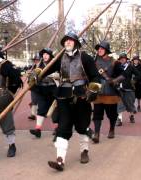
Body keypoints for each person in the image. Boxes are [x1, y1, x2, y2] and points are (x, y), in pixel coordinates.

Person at [35, 32, 101, 171]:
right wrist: (38, 72)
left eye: (70, 41)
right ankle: (60, 160)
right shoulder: (59, 58)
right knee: (63, 128)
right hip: (63, 97)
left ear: (76, 43)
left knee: (82, 127)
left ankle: (84, 151)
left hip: (81, 96)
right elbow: (47, 68)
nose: (67, 43)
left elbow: (95, 76)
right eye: (65, 41)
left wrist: (93, 88)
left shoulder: (85, 57)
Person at [91, 41, 121, 143]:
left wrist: (115, 81)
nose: (99, 50)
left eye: (102, 49)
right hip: (98, 91)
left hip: (110, 92)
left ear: (106, 51)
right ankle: (97, 133)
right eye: (98, 49)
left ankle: (112, 129)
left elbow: (122, 75)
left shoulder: (114, 62)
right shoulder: (94, 62)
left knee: (111, 114)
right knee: (97, 114)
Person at [29, 48, 57, 138]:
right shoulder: (39, 65)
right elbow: (33, 77)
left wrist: (51, 75)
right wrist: (33, 76)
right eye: (43, 54)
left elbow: (61, 74)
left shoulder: (55, 64)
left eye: (47, 54)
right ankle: (38, 129)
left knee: (54, 110)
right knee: (41, 109)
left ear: (50, 55)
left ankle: (57, 128)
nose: (45, 56)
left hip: (53, 90)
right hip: (42, 90)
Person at [112, 52, 141, 125]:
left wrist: (133, 80)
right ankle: (119, 119)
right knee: (119, 104)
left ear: (126, 59)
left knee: (130, 104)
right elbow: (113, 75)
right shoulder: (117, 67)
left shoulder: (130, 67)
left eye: (123, 58)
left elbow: (139, 75)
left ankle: (131, 116)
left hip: (129, 88)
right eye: (121, 59)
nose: (122, 60)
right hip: (119, 88)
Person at [28, 53, 41, 121]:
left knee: (42, 100)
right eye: (35, 60)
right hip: (34, 86)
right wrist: (29, 74)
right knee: (34, 100)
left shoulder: (43, 66)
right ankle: (33, 114)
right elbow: (30, 77)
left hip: (41, 86)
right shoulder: (32, 67)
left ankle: (42, 112)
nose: (36, 61)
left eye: (37, 60)